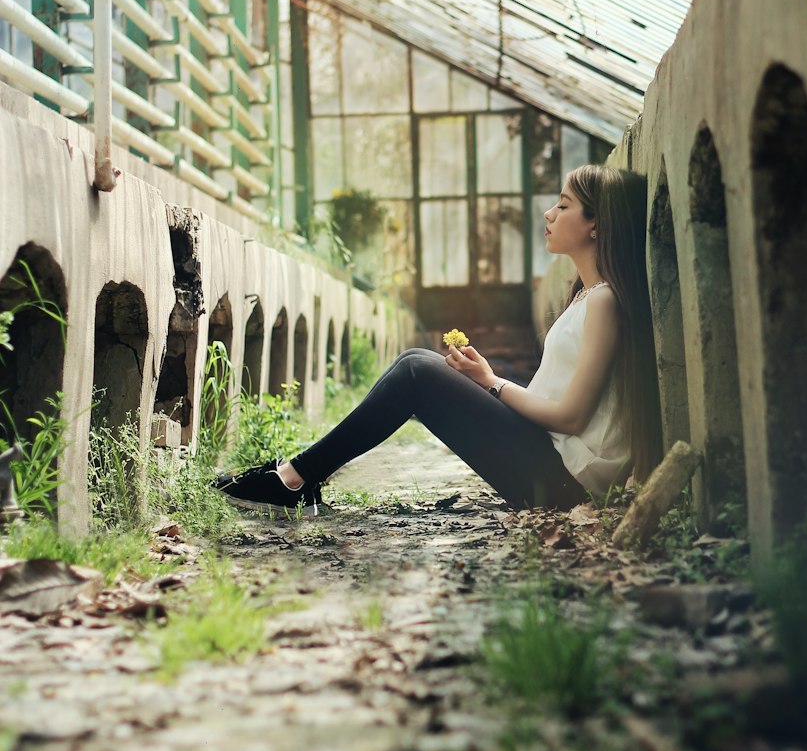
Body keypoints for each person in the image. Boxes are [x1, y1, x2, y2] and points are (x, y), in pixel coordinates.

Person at [214, 165, 663, 513]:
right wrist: (483, 378)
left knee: (416, 369)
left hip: (566, 485)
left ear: (596, 225)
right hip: (547, 463)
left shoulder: (605, 302)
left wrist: (491, 382)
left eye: (563, 206)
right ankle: (298, 476)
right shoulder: (587, 297)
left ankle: (295, 479)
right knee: (415, 359)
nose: (549, 213)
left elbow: (570, 417)